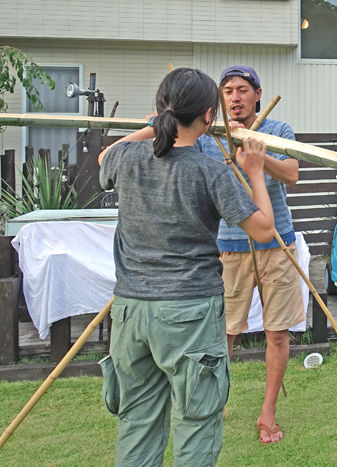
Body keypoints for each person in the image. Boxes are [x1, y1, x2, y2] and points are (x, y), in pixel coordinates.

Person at [97, 68, 274, 467]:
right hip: (189, 312)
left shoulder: (127, 157)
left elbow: (104, 156)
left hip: (130, 312)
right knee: (197, 420)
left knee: (137, 420)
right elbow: (263, 229)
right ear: (210, 116)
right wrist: (256, 173)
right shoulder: (209, 171)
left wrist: (152, 125)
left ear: (160, 108)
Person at [194, 65, 303, 445]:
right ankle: (216, 402)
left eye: (242, 89)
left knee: (277, 332)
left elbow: (291, 174)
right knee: (223, 333)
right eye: (227, 91)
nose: (235, 97)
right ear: (219, 98)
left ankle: (267, 413)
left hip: (277, 244)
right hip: (228, 245)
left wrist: (254, 154)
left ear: (258, 94)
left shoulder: (277, 130)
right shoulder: (207, 136)